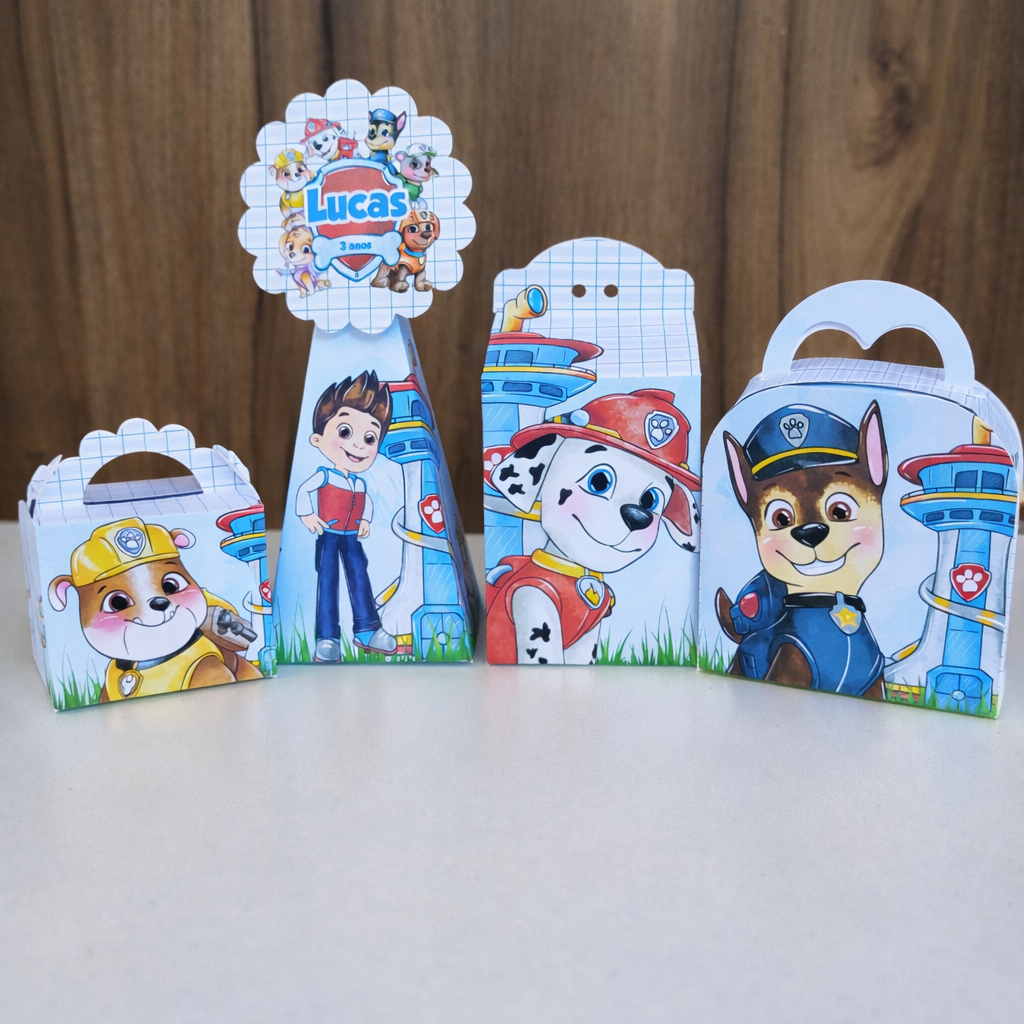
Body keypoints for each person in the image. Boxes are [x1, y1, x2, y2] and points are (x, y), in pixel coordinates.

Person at [295, 372, 399, 659]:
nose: (359, 445)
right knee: (328, 582)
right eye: (344, 432)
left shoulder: (359, 483)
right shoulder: (324, 475)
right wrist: (307, 515)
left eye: (370, 438)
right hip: (329, 535)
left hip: (352, 537)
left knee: (359, 577)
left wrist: (365, 520)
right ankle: (327, 638)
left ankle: (368, 629)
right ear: (317, 439)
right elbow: (304, 491)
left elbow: (368, 505)